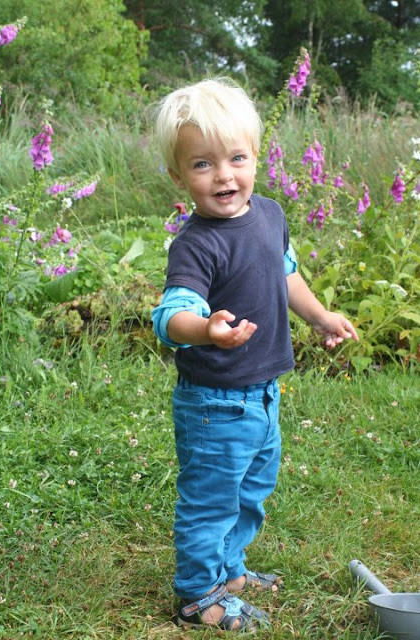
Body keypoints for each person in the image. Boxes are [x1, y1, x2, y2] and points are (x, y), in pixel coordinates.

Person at [151, 77, 358, 633]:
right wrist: (206, 329)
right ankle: (198, 594)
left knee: (250, 493)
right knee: (211, 501)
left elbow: (284, 274)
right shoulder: (196, 244)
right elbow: (170, 317)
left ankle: (230, 571)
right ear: (178, 176)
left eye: (236, 158)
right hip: (214, 403)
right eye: (202, 164)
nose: (223, 175)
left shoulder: (268, 214)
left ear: (256, 157)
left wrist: (319, 317)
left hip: (263, 393)